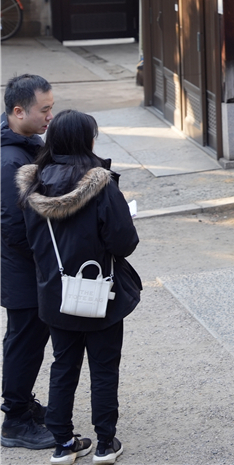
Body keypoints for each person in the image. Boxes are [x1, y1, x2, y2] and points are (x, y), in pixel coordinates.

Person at [17, 110, 141, 464]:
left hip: (55, 293)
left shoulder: (32, 186)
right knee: (103, 368)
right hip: (100, 291)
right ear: (87, 140)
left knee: (63, 365)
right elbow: (124, 242)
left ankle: (62, 443)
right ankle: (105, 443)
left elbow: (29, 241)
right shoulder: (101, 185)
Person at [1, 75, 56, 451]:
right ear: (18, 112)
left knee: (28, 339)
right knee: (24, 341)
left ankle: (21, 406)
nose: (51, 115)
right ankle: (15, 419)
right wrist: (48, 257)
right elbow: (13, 226)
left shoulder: (24, 144)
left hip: (26, 268)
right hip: (22, 271)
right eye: (45, 109)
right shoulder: (9, 160)